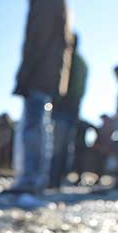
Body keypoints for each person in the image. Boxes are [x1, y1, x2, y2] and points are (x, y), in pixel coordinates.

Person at [12, 0, 73, 193]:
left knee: (34, 124)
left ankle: (31, 178)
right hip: (46, 72)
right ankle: (34, 177)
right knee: (37, 123)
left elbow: (37, 40)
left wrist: (25, 74)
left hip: (40, 71)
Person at [50, 32, 87, 188]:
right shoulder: (83, 62)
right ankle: (58, 179)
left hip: (64, 107)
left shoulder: (69, 58)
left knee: (57, 145)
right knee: (65, 146)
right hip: (73, 108)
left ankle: (53, 180)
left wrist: (56, 101)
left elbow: (62, 84)